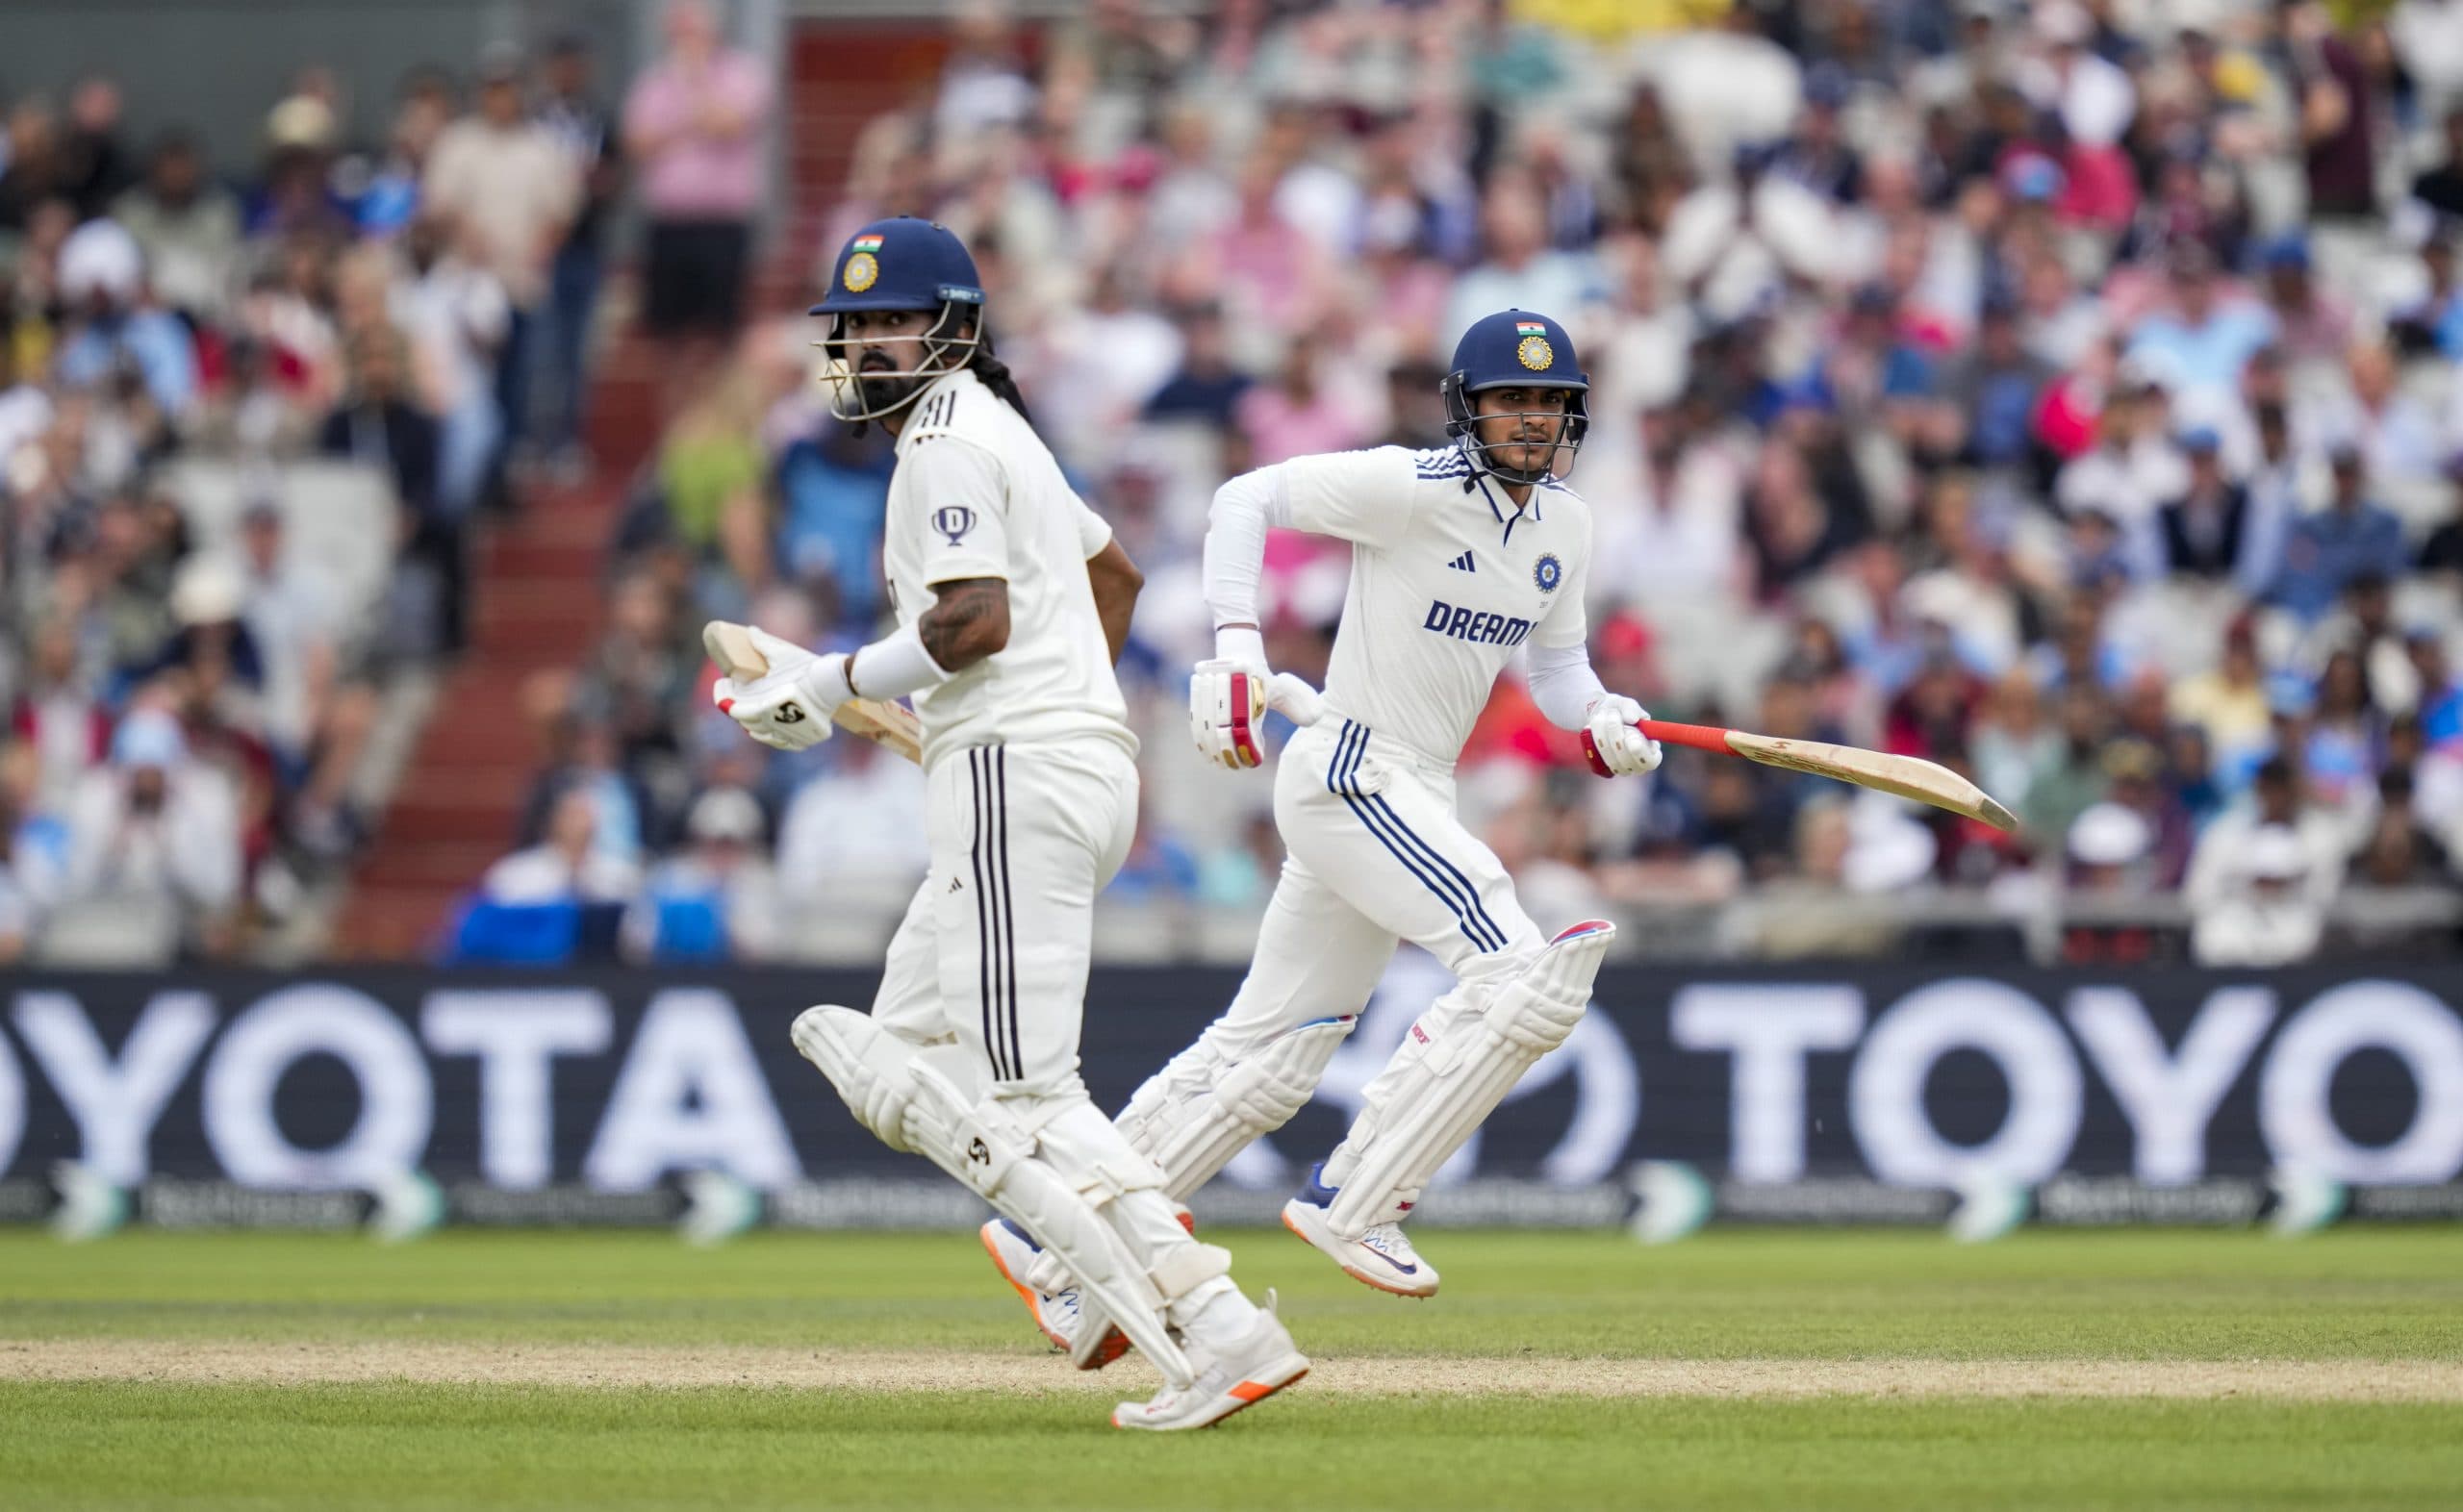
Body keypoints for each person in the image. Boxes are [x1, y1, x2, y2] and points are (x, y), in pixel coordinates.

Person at [713, 217, 1305, 1432]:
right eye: (856, 327)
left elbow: (972, 622)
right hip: (1066, 767)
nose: (871, 346)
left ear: (955, 329)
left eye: (895, 321)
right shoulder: (1005, 433)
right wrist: (1062, 697)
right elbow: (1114, 580)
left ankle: (1216, 1322)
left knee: (1030, 1092)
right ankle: (1079, 1257)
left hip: (1009, 774)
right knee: (900, 1052)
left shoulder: (943, 440)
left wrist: (828, 685)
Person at [1034, 311, 1657, 1324]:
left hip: (1410, 788)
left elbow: (1556, 666)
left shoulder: (1566, 528)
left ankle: (1062, 1238)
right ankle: (1355, 1199)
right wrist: (1238, 645)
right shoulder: (1410, 487)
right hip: (1356, 768)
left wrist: (1600, 714)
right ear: (1467, 408)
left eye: (1550, 401)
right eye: (1510, 399)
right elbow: (1245, 498)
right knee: (1522, 977)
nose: (1532, 418)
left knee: (1270, 1057)